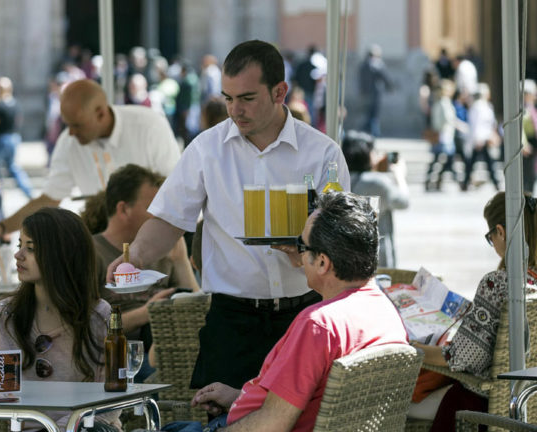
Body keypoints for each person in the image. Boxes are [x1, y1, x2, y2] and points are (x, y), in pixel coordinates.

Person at [107, 40, 351, 391]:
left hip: (306, 316)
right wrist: (135, 257)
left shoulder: (323, 153)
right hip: (232, 320)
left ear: (279, 91)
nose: (235, 110)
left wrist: (310, 253)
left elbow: (341, 238)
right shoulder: (207, 149)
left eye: (247, 98)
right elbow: (168, 219)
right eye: (228, 98)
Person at [162, 192, 407, 432]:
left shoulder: (319, 325)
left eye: (301, 245)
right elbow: (303, 400)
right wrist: (240, 397)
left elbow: (272, 424)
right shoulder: (385, 311)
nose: (297, 253)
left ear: (322, 262)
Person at [0, 78, 181, 251]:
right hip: (103, 246)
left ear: (101, 113)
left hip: (157, 242)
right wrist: (1, 228)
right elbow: (49, 199)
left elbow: (173, 191)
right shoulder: (69, 142)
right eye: (67, 125)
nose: (71, 133)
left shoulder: (149, 126)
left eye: (77, 125)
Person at [0, 208, 120, 431]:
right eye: (19, 245)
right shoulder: (3, 317)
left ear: (62, 254)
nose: (18, 255)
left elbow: (112, 400)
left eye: (31, 248)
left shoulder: (98, 316)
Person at [409, 191, 537, 430]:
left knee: (399, 404)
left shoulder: (497, 284)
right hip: (528, 398)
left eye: (491, 237)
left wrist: (413, 349)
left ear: (500, 231)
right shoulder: (527, 285)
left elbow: (462, 358)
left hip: (484, 404)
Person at [85, 164, 199, 381]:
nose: (163, 215)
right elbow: (84, 328)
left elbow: (198, 308)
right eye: (154, 207)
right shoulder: (91, 252)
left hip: (171, 348)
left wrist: (180, 260)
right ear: (123, 209)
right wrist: (149, 312)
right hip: (120, 357)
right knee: (174, 375)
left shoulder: (165, 250)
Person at [341, 130, 409, 267]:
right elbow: (403, 202)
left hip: (348, 254)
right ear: (366, 154)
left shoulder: (341, 179)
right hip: (377, 255)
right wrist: (399, 175)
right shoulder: (376, 182)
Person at [0, 76, 33, 199]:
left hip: (0, 140)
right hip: (14, 138)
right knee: (13, 167)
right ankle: (29, 192)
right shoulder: (16, 104)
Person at [461, 83, 500, 191]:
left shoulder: (485, 105)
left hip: (485, 138)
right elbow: (477, 124)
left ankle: (465, 183)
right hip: (480, 139)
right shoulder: (478, 107)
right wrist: (478, 139)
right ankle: (495, 182)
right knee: (486, 162)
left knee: (478, 162)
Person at [424, 79, 459, 191]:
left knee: (440, 159)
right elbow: (448, 119)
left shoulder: (437, 101)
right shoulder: (444, 102)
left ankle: (434, 179)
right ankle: (436, 179)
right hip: (444, 134)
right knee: (445, 158)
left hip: (441, 134)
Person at [358, 44, 392, 137]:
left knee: (367, 113)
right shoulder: (377, 63)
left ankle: (367, 132)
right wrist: (390, 87)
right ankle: (374, 133)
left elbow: (359, 80)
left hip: (365, 93)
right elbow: (385, 77)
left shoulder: (363, 65)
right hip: (375, 93)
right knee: (374, 114)